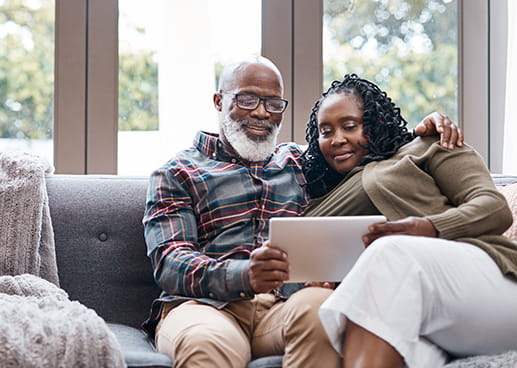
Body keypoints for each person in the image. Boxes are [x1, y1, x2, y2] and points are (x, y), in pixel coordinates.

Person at [142, 57, 462, 368]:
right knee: (207, 342)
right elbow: (170, 262)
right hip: (206, 307)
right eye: (248, 100)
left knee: (323, 311)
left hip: (286, 305)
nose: (261, 113)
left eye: (273, 103)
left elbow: (368, 153)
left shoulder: (301, 162)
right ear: (218, 101)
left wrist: (425, 132)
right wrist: (243, 275)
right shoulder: (177, 172)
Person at [299, 74, 517, 368]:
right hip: (418, 315)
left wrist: (430, 228)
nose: (337, 139)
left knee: (389, 252)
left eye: (349, 126)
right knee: (347, 316)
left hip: (491, 283)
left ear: (375, 123)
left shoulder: (429, 145)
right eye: (326, 132)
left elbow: (494, 208)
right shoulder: (324, 196)